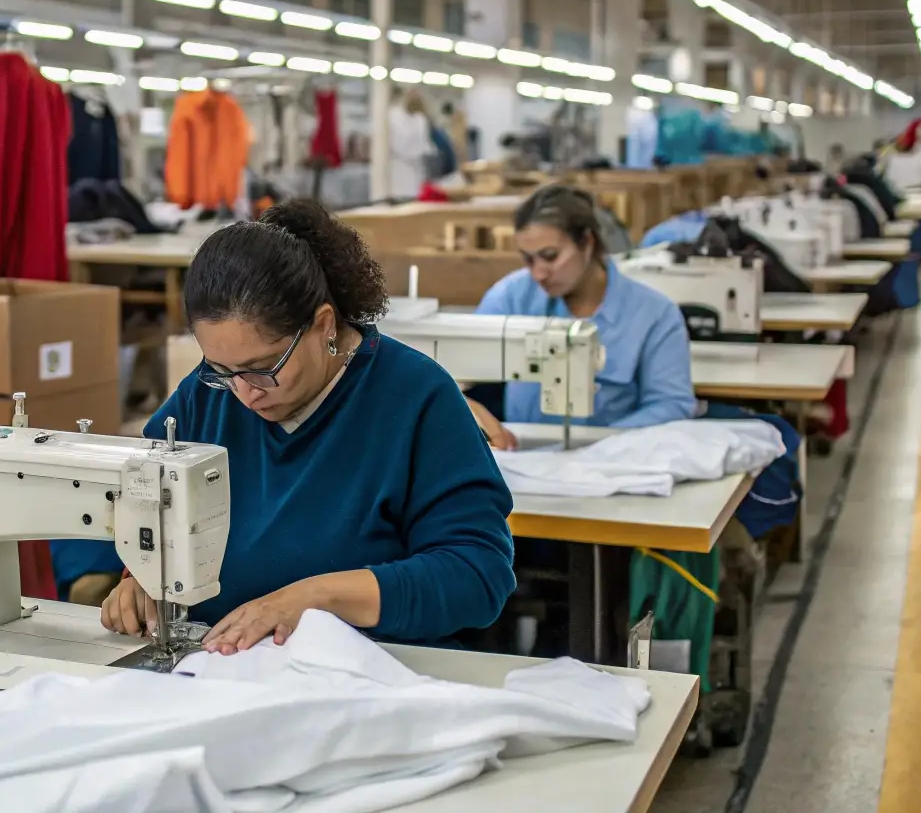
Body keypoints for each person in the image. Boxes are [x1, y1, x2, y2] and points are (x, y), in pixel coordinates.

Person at [100, 200, 516, 654]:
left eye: (262, 367)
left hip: (372, 674)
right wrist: (141, 577)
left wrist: (314, 599)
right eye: (221, 368)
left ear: (324, 325)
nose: (244, 393)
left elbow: (476, 575)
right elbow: (147, 504)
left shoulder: (416, 398)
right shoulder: (207, 395)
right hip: (226, 672)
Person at [464, 186, 696, 449]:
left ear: (587, 242)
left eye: (550, 257)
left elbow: (671, 404)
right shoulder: (511, 297)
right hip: (522, 455)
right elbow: (461, 371)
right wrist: (472, 411)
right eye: (528, 259)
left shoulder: (654, 315)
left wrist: (602, 446)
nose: (539, 273)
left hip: (616, 462)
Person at [386, 88, 433, 199]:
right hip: (398, 170)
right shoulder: (393, 116)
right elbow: (396, 145)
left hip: (415, 174)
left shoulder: (420, 119)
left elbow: (424, 145)